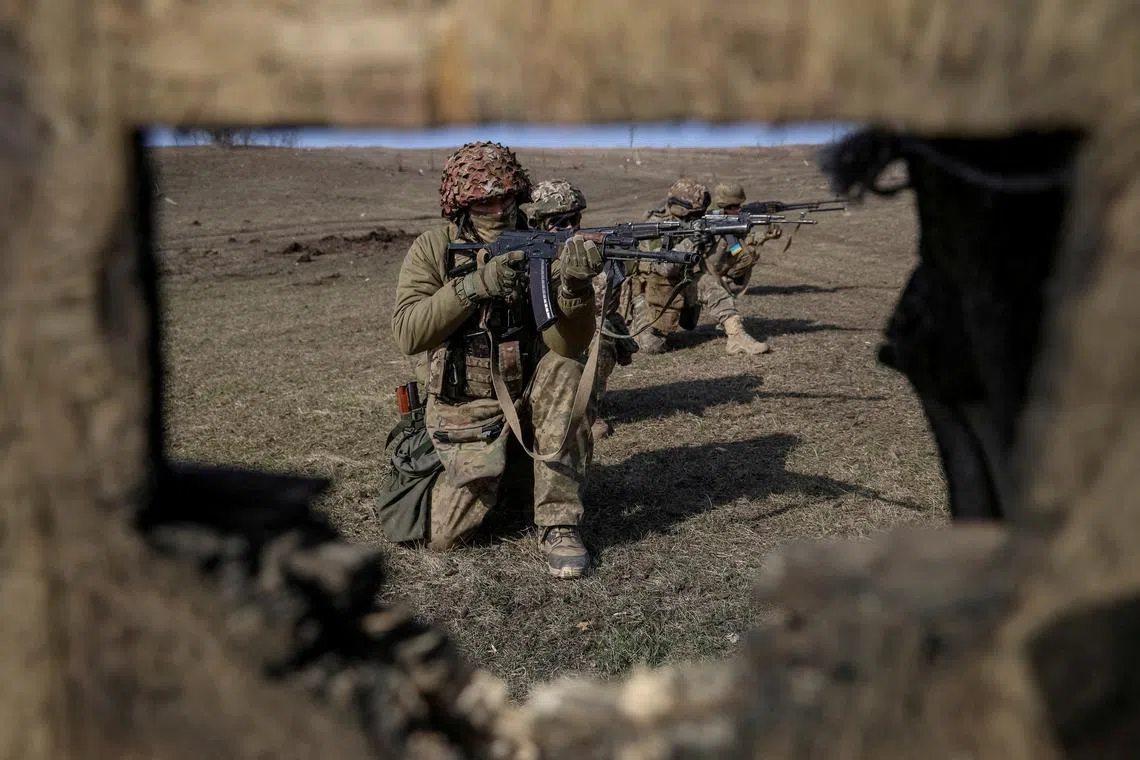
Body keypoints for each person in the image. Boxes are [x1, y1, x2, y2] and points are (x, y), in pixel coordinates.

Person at [390, 142, 602, 578]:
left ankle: (559, 522)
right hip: (466, 408)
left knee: (565, 368)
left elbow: (569, 343)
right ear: (460, 203)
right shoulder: (433, 248)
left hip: (532, 398)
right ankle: (507, 475)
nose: (499, 207)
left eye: (507, 196)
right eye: (485, 199)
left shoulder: (544, 242)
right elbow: (408, 332)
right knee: (444, 537)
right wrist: (473, 286)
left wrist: (577, 288)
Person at [523, 179, 638, 441]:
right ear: (537, 224)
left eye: (574, 219)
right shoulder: (524, 252)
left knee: (602, 334)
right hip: (530, 343)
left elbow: (602, 309)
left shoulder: (587, 252)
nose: (570, 228)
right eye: (559, 222)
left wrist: (588, 274)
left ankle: (587, 408)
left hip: (570, 337)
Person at [621, 178, 710, 355]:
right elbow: (664, 268)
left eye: (701, 213)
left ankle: (735, 331)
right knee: (650, 346)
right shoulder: (654, 226)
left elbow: (713, 267)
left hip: (683, 284)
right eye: (694, 214)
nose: (698, 218)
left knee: (711, 282)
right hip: (650, 292)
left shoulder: (698, 223)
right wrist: (690, 241)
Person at [698, 182, 783, 355]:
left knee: (747, 255)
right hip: (695, 276)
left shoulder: (726, 221)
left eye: (738, 206)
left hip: (708, 276)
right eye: (732, 207)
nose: (737, 209)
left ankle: (735, 334)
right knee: (653, 342)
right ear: (723, 205)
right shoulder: (706, 220)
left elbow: (738, 245)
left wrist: (763, 236)